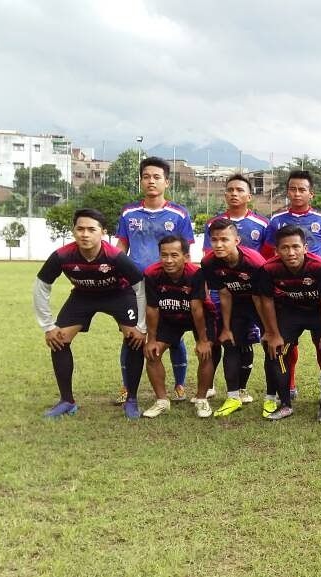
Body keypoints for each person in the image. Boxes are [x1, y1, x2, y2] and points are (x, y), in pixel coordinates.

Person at [34, 208, 147, 418]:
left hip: (118, 294)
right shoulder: (62, 255)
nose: (85, 234)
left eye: (91, 229)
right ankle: (67, 401)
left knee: (134, 338)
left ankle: (131, 399)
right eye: (80, 229)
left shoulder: (115, 256)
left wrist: (142, 326)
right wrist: (48, 326)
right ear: (73, 231)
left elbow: (140, 286)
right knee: (59, 339)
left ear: (102, 232)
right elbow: (41, 286)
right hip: (83, 295)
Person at [263, 169, 321, 401]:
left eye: (302, 189)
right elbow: (268, 252)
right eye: (293, 189)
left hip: (316, 289)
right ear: (288, 191)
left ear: (311, 193)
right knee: (287, 344)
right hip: (287, 294)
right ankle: (289, 384)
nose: (297, 193)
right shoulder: (277, 220)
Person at [114, 157, 194, 404]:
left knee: (174, 335)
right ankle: (128, 387)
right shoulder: (129, 212)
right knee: (131, 336)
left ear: (167, 182)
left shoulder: (178, 214)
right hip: (135, 286)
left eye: (157, 177)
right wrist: (116, 277)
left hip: (167, 285)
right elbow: (121, 247)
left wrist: (186, 282)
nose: (151, 181)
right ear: (141, 180)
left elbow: (187, 253)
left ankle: (180, 384)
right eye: (146, 176)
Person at [257, 225, 321, 422]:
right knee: (275, 350)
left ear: (305, 248)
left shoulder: (319, 266)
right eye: (285, 248)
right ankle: (285, 404)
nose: (291, 252)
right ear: (277, 250)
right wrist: (273, 333)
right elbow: (266, 301)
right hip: (291, 312)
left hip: (319, 313)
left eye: (295, 247)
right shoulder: (269, 268)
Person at [201, 174, 269, 404]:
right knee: (220, 337)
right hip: (224, 290)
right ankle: (209, 385)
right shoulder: (213, 224)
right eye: (230, 189)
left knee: (249, 339)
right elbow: (208, 259)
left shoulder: (262, 224)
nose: (234, 194)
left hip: (254, 293)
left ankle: (243, 388)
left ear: (249, 196)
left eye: (239, 190)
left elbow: (266, 260)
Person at [142, 235, 216, 418]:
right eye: (164, 255)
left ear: (185, 256)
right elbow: (152, 308)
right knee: (152, 353)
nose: (168, 260)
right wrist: (151, 340)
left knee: (205, 352)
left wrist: (203, 341)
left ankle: (201, 399)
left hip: (196, 316)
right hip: (169, 317)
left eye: (174, 255)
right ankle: (161, 401)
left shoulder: (196, 273)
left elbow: (197, 308)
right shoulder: (151, 273)